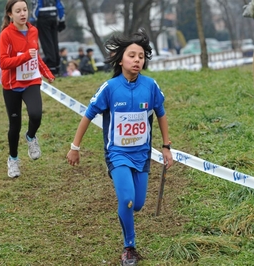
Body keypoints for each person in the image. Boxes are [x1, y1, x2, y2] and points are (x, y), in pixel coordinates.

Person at [66, 28, 173, 265]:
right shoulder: (110, 87)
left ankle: (127, 213)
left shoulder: (151, 85)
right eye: (132, 55)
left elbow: (161, 113)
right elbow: (88, 115)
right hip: (118, 154)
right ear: (121, 58)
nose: (137, 60)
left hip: (142, 155)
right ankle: (129, 247)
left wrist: (166, 146)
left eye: (141, 56)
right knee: (126, 200)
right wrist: (75, 147)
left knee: (138, 204)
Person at [0, 0, 55, 178]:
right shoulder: (6, 35)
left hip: (31, 81)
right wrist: (23, 57)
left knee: (36, 115)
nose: (23, 13)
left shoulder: (33, 30)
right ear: (10, 14)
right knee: (14, 125)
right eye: (18, 11)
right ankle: (13, 159)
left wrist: (46, 72)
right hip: (12, 85)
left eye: (25, 10)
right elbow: (4, 63)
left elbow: (35, 56)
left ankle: (31, 137)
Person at [30, 0, 65, 75]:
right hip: (54, 15)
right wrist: (62, 20)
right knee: (54, 41)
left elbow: (37, 4)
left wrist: (33, 20)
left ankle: (51, 66)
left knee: (47, 42)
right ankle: (57, 65)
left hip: (43, 16)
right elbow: (60, 5)